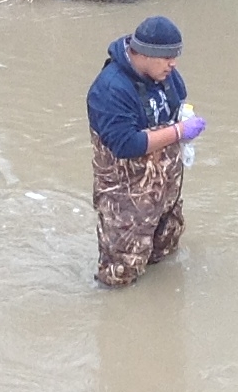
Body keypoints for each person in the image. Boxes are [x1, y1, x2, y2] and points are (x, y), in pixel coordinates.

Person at [86, 14, 206, 288]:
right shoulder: (110, 89)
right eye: (166, 58)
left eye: (175, 56)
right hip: (126, 198)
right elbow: (126, 144)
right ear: (143, 54)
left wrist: (184, 125)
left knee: (165, 251)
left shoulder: (166, 76)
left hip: (166, 190)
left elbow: (177, 104)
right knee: (120, 274)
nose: (173, 64)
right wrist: (178, 132)